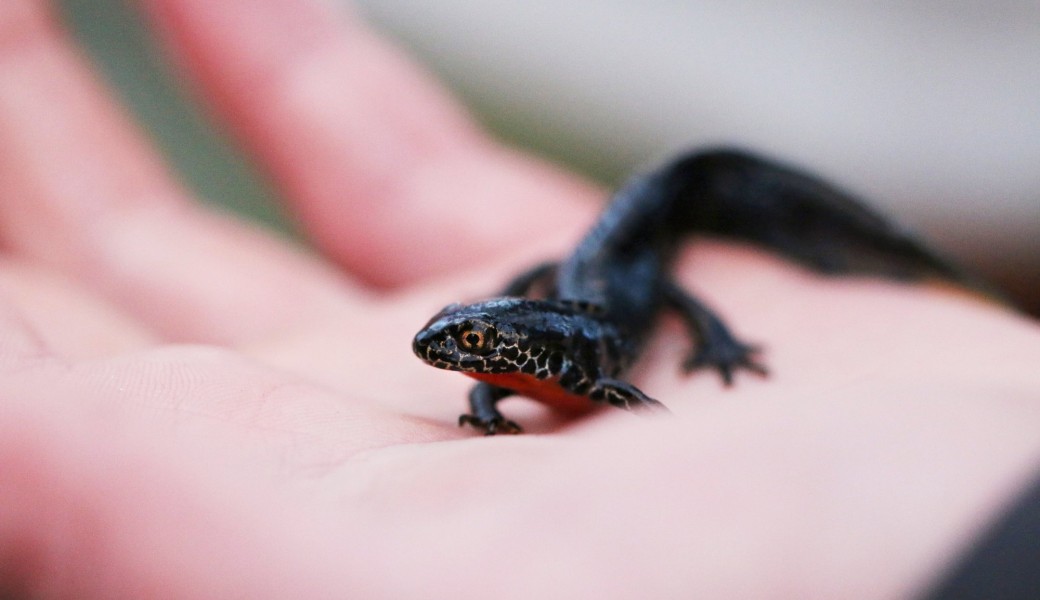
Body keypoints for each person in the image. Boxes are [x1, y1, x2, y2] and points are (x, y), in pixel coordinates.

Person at [0, 0, 1038, 597]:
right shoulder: (504, 372)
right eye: (460, 347)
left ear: (512, 346)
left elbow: (648, 343)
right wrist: (484, 400)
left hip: (624, 267)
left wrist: (715, 352)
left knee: (657, 270)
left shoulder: (583, 362)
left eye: (469, 345)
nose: (453, 358)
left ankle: (866, 251)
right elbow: (493, 387)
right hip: (581, 279)